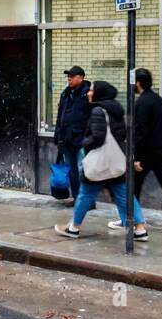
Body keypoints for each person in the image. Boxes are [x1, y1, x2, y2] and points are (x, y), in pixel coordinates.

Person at [55, 80, 148, 241]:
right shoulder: (116, 109)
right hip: (115, 161)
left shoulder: (98, 110)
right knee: (124, 194)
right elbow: (121, 134)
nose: (89, 93)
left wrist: (84, 143)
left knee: (85, 194)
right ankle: (139, 229)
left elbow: (98, 136)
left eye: (91, 90)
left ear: (99, 93)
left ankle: (73, 228)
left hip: (100, 162)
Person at [109, 68, 162, 235]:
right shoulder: (157, 100)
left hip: (149, 153)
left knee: (132, 185)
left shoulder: (142, 103)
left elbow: (142, 132)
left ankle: (130, 219)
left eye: (133, 82)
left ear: (138, 83)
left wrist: (139, 158)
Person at [54, 65, 92, 199]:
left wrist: (88, 137)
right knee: (71, 171)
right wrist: (57, 135)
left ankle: (87, 201)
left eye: (72, 76)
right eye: (68, 76)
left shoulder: (87, 94)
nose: (69, 78)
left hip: (81, 140)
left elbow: (93, 116)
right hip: (66, 139)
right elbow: (60, 116)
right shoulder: (65, 94)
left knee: (83, 171)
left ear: (81, 78)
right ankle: (77, 198)